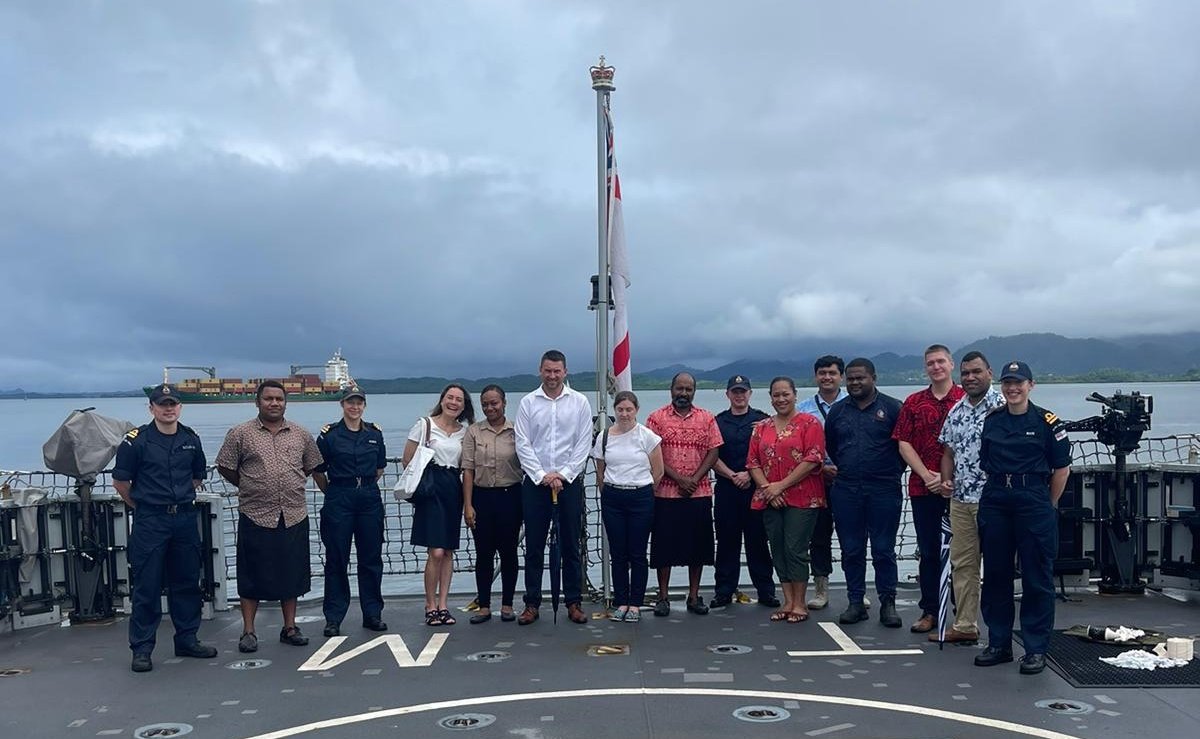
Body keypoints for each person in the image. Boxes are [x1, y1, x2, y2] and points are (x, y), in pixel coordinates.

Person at [974, 361, 1071, 675]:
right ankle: (999, 644)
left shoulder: (1047, 422)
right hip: (997, 498)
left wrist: (1047, 503)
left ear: (1031, 385)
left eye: (1019, 383)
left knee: (1036, 578)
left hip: (1033, 500)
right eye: (1007, 383)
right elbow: (986, 461)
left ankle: (1035, 650)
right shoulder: (992, 420)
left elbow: (1061, 469)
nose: (1012, 389)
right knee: (996, 576)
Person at [112, 384, 218, 673]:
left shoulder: (190, 439)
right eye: (162, 405)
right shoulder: (136, 442)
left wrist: (175, 501)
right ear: (152, 409)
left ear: (179, 407)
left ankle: (187, 639)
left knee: (186, 582)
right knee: (147, 586)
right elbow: (121, 483)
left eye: (173, 404)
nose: (168, 409)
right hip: (150, 521)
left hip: (184, 519)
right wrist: (146, 507)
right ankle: (142, 649)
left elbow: (197, 477)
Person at [217, 380, 323, 653]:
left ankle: (290, 627)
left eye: (279, 399)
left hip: (293, 513)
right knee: (251, 574)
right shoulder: (240, 433)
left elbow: (311, 465)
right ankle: (248, 631)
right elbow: (226, 466)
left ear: (286, 402)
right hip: (255, 513)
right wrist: (251, 485)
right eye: (269, 399)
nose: (274, 403)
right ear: (257, 402)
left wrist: (287, 483)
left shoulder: (300, 434)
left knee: (292, 574)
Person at [513, 350, 594, 626]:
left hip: (569, 483)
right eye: (547, 371)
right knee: (534, 546)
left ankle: (573, 602)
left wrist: (565, 474)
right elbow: (522, 443)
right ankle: (532, 604)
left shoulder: (580, 403)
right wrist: (542, 475)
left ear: (565, 371)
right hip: (536, 484)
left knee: (571, 544)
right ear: (540, 370)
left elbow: (584, 443)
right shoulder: (527, 403)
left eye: (557, 371)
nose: (552, 376)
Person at [824, 358, 905, 628]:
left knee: (884, 549)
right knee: (851, 549)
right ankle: (855, 602)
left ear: (874, 378)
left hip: (884, 488)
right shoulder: (837, 412)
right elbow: (833, 447)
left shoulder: (893, 408)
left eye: (861, 377)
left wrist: (886, 472)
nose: (855, 382)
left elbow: (903, 449)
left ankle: (888, 603)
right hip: (846, 489)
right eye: (851, 378)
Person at [892, 344, 965, 633]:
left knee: (963, 552)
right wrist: (926, 475)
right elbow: (903, 441)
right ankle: (930, 611)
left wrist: (951, 479)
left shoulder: (965, 399)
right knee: (929, 551)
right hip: (923, 488)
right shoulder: (913, 402)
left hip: (961, 490)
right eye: (930, 363)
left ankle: (963, 612)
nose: (936, 367)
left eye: (940, 362)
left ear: (951, 364)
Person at [937, 351, 1004, 645]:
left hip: (995, 499)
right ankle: (965, 625)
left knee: (999, 565)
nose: (970, 378)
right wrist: (946, 478)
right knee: (962, 564)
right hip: (961, 500)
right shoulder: (956, 411)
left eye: (977, 372)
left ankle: (1001, 631)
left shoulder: (1003, 407)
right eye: (965, 373)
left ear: (990, 373)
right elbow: (948, 451)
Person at [746, 377, 827, 624]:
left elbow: (813, 458)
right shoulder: (761, 427)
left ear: (794, 394)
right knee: (778, 548)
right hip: (770, 497)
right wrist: (769, 489)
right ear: (770, 397)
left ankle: (800, 603)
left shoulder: (809, 423)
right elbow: (753, 462)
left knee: (796, 549)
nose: (781, 399)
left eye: (785, 394)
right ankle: (788, 601)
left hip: (803, 497)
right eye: (776, 395)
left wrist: (781, 486)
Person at [646, 372, 723, 617]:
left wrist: (695, 478)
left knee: (698, 546)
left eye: (688, 389)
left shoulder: (707, 418)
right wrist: (678, 478)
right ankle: (663, 596)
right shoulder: (656, 419)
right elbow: (651, 452)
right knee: (663, 546)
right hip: (665, 493)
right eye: (679, 388)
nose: (683, 393)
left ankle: (693, 595)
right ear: (671, 390)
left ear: (694, 391)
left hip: (698, 492)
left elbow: (714, 452)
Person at [312, 387, 388, 638]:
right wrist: (334, 493)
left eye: (359, 403)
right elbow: (318, 470)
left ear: (364, 406)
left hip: (368, 496)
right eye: (350, 403)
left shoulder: (375, 434)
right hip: (339, 496)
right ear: (342, 405)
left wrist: (361, 486)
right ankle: (334, 617)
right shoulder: (328, 436)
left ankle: (372, 613)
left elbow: (379, 469)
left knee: (371, 558)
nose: (355, 407)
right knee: (336, 559)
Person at [403, 384, 474, 627]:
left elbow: (466, 467)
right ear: (442, 400)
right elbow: (407, 459)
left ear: (464, 406)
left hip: (452, 488)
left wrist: (468, 503)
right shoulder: (424, 425)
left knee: (448, 551)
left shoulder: (464, 433)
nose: (454, 403)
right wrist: (423, 486)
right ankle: (430, 604)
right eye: (450, 398)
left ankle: (443, 604)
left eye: (459, 400)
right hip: (431, 488)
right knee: (435, 551)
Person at [592, 390, 664, 622]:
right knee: (618, 553)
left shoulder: (647, 437)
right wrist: (609, 491)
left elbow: (659, 471)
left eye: (629, 409)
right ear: (615, 410)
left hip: (641, 498)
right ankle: (621, 601)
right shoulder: (604, 437)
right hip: (613, 498)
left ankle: (635, 603)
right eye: (620, 409)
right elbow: (600, 471)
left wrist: (642, 490)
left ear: (636, 411)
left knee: (637, 553)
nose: (624, 414)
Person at [711, 375, 777, 609]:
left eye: (743, 391)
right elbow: (711, 456)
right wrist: (732, 475)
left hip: (756, 489)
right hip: (727, 488)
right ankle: (723, 591)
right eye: (735, 391)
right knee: (727, 542)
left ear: (750, 393)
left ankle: (766, 591)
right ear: (727, 394)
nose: (739, 395)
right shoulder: (717, 422)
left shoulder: (763, 421)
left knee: (758, 541)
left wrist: (750, 475)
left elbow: (770, 454)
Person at [796, 354, 855, 611]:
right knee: (818, 536)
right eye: (822, 373)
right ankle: (821, 589)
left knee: (851, 536)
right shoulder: (805, 409)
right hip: (816, 479)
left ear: (840, 376)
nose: (827, 377)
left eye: (832, 373)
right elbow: (798, 447)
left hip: (849, 480)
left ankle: (856, 589)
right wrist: (822, 468)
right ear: (815, 376)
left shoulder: (855, 403)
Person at [462, 384, 524, 624]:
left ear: (504, 403)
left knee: (509, 552)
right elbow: (467, 470)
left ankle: (507, 604)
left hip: (511, 496)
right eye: (486, 404)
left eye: (494, 403)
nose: (490, 408)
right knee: (484, 554)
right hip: (482, 496)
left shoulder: (517, 431)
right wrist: (468, 505)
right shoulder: (474, 432)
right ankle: (484, 605)